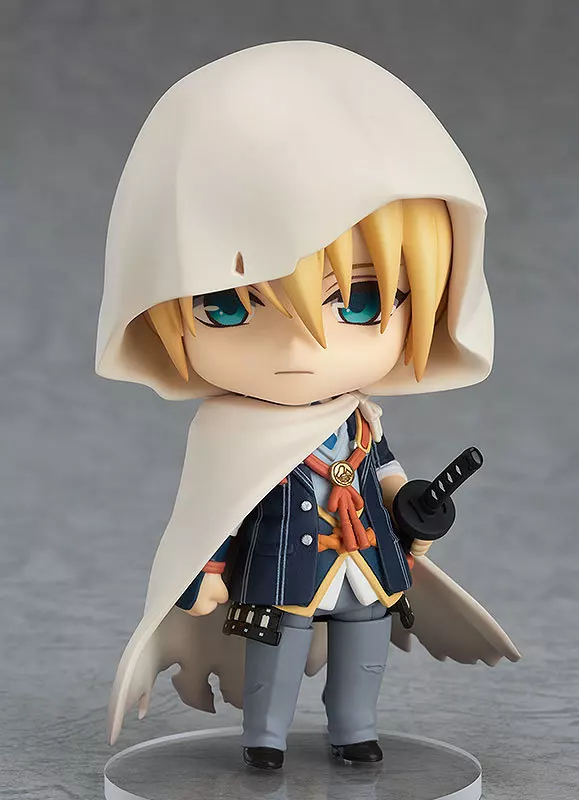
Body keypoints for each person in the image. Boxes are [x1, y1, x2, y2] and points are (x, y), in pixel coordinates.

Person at [96, 41, 519, 770]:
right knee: (278, 650)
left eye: (359, 301)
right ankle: (263, 736)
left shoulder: (361, 421)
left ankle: (354, 728)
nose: (299, 347)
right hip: (284, 568)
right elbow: (216, 510)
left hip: (367, 563)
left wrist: (415, 504)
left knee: (364, 646)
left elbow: (382, 472)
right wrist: (208, 572)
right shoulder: (228, 432)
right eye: (228, 307)